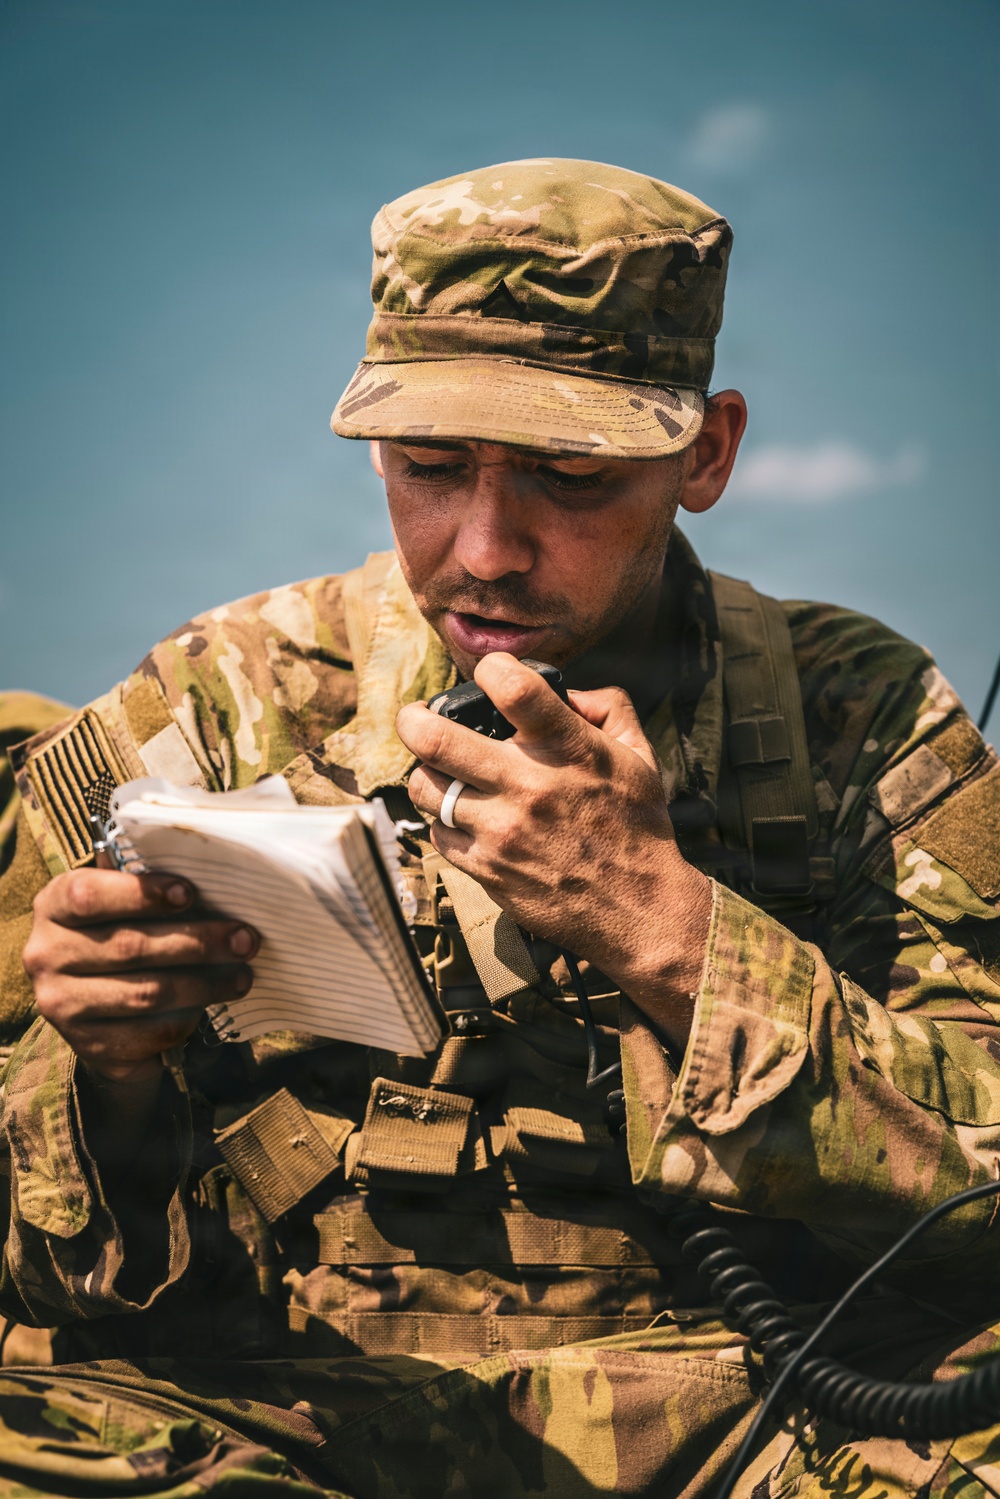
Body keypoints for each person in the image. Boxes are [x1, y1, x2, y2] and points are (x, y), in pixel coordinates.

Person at [0, 157, 998, 1499]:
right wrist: (103, 1072)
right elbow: (50, 1271)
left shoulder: (855, 717)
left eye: (570, 478)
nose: (483, 549)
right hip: (294, 1418)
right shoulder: (216, 704)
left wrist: (668, 928)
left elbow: (979, 1194)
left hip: (748, 1424)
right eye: (428, 468)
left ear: (704, 452)